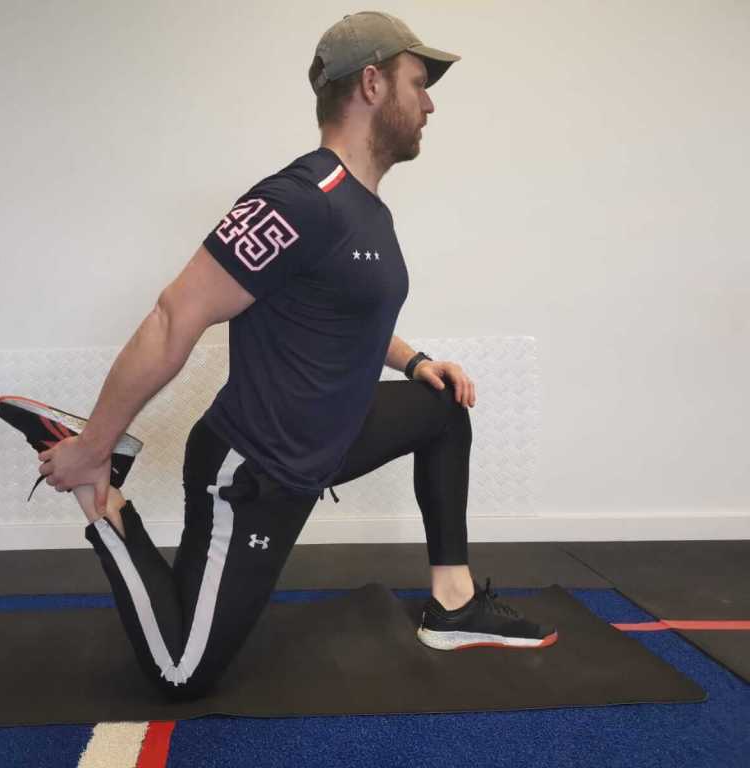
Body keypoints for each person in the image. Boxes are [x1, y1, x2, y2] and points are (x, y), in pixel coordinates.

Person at [35, 11, 557, 702]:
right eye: (417, 82)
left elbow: (345, 307)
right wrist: (94, 444)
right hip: (259, 469)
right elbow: (172, 319)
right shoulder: (297, 200)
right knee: (180, 674)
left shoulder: (369, 208)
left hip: (326, 437)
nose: (429, 102)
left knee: (442, 409)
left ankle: (453, 607)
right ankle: (98, 488)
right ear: (372, 83)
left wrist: (414, 361)